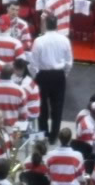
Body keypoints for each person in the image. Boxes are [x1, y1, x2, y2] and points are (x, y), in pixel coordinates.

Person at [29, 14, 72, 144]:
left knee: (42, 106)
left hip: (43, 75)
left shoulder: (39, 41)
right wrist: (64, 74)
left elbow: (33, 62)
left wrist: (35, 76)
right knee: (57, 107)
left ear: (46, 25)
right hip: (58, 75)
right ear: (56, 25)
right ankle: (54, 136)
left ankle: (43, 134)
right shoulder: (64, 40)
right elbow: (69, 62)